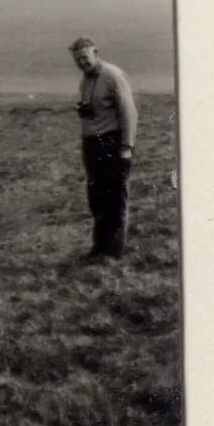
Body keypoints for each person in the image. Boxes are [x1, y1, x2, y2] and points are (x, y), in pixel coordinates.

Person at [69, 36, 138, 261]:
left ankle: (113, 252)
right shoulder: (85, 80)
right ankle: (99, 247)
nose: (82, 62)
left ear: (96, 53)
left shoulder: (112, 76)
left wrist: (127, 147)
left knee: (115, 197)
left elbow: (128, 112)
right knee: (96, 198)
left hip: (112, 143)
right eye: (78, 59)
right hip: (92, 146)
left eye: (85, 57)